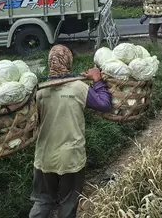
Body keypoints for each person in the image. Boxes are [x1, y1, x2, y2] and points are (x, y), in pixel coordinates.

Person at [30, 45, 112, 218]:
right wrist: (97, 80)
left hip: (44, 157)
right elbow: (104, 104)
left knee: (42, 201)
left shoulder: (39, 90)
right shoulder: (78, 87)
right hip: (71, 158)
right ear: (68, 62)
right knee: (68, 203)